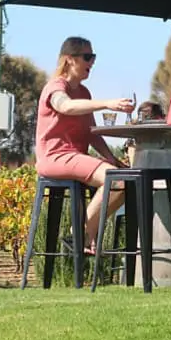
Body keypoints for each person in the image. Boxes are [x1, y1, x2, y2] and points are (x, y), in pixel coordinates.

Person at [35, 36, 135, 254]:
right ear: (70, 59)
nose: (92, 62)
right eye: (88, 57)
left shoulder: (84, 92)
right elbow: (66, 106)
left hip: (75, 158)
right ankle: (79, 235)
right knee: (116, 180)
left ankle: (82, 234)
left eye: (93, 57)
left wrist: (111, 158)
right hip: (55, 158)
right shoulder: (55, 87)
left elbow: (91, 134)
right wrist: (107, 104)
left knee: (124, 179)